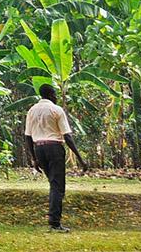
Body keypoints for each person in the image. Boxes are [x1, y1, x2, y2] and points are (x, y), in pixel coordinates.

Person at [24, 84, 87, 232]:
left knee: (54, 184)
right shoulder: (56, 110)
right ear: (51, 94)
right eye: (55, 94)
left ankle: (54, 220)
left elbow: (27, 136)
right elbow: (67, 136)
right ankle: (54, 222)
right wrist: (80, 158)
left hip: (39, 148)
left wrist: (34, 158)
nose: (56, 96)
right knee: (57, 186)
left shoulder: (32, 110)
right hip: (54, 148)